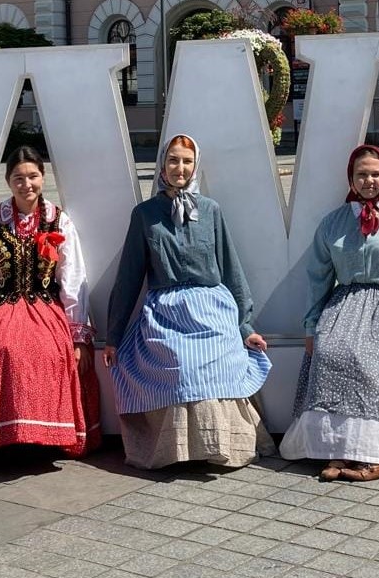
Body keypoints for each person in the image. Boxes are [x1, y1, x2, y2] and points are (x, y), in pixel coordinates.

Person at [106, 134, 275, 469]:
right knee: (180, 364)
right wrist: (113, 336)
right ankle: (176, 450)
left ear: (195, 166)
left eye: (186, 161)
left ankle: (222, 445)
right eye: (173, 160)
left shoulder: (211, 210)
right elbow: (128, 278)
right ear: (162, 166)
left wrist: (245, 327)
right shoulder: (145, 215)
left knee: (219, 362)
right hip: (165, 311)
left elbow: (231, 267)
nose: (179, 168)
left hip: (211, 307)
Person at [281, 145, 379, 481]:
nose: (369, 180)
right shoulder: (333, 222)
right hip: (343, 306)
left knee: (374, 363)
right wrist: (311, 326)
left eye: (376, 174)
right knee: (331, 353)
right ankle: (338, 448)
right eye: (362, 174)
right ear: (351, 178)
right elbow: (318, 279)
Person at [0, 146, 100, 459]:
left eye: (32, 176)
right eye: (18, 178)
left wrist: (78, 337)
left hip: (45, 305)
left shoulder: (59, 221)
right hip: (1, 305)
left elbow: (73, 277)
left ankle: (43, 437)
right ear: (8, 181)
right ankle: (3, 438)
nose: (26, 184)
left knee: (46, 350)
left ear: (43, 177)